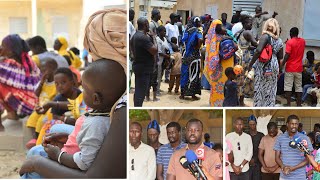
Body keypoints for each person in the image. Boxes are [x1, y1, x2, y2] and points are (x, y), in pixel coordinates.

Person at [19, 8, 127, 178]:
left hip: (85, 167)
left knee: (36, 157)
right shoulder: (118, 83)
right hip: (88, 152)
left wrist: (39, 164)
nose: (91, 55)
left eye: (93, 49)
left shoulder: (124, 105)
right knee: (53, 132)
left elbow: (94, 174)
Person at [21, 59, 126, 178]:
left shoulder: (96, 124)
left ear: (95, 98)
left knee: (34, 157)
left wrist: (58, 155)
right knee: (37, 150)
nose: (82, 91)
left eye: (85, 89)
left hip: (70, 162)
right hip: (72, 155)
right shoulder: (106, 114)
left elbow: (84, 162)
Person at [0, 34, 41, 131]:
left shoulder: (9, 64)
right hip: (36, 103)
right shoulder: (29, 61)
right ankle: (13, 115)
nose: (1, 48)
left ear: (11, 50)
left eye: (3, 45)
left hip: (27, 107)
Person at [34, 67, 82, 145]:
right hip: (64, 124)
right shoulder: (58, 98)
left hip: (78, 124)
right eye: (56, 83)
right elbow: (55, 116)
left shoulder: (79, 94)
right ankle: (40, 144)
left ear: (72, 82)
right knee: (48, 123)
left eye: (63, 82)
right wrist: (64, 119)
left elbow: (78, 105)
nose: (59, 86)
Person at [248, 18, 284, 107]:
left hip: (264, 64)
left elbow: (258, 51)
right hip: (274, 65)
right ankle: (268, 108)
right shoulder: (279, 40)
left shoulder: (265, 36)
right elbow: (281, 57)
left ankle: (259, 108)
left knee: (260, 87)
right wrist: (279, 70)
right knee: (271, 88)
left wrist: (250, 64)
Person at [25, 59, 58, 148]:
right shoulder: (42, 82)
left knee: (41, 121)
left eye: (45, 69)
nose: (43, 72)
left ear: (53, 69)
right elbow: (36, 94)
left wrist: (46, 108)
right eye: (42, 70)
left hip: (50, 107)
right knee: (32, 119)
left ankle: (39, 140)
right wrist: (42, 82)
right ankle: (34, 138)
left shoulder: (56, 83)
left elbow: (56, 98)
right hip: (40, 107)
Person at [205, 19, 235, 106]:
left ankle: (215, 104)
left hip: (220, 69)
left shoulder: (212, 40)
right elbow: (214, 58)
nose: (223, 28)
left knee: (218, 88)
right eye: (221, 26)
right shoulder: (219, 39)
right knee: (221, 87)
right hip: (222, 68)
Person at [274, 114, 313, 180]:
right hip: (284, 176)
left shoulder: (304, 138)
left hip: (300, 176)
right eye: (292, 124)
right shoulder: (280, 138)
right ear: (287, 124)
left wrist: (293, 168)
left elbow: (308, 159)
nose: (294, 126)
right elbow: (277, 158)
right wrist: (283, 167)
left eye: (296, 124)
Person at [131, 17, 158, 107]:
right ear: (146, 24)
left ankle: (137, 105)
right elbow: (154, 50)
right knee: (141, 91)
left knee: (139, 90)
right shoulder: (143, 37)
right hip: (143, 68)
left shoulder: (135, 36)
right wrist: (153, 38)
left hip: (139, 66)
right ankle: (138, 106)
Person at [234, 15, 258, 106]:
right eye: (249, 22)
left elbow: (242, 45)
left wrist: (249, 47)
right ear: (244, 23)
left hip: (238, 58)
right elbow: (255, 43)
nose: (251, 24)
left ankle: (237, 100)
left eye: (251, 22)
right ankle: (241, 101)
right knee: (244, 79)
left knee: (239, 79)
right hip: (245, 58)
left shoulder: (239, 32)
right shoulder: (248, 32)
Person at [281, 27, 306, 106]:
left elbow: (287, 55)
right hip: (299, 68)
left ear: (291, 33)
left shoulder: (290, 42)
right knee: (298, 87)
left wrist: (282, 65)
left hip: (290, 68)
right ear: (297, 33)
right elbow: (297, 44)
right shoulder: (303, 41)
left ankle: (288, 104)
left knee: (288, 86)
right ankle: (298, 104)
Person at [180, 16, 203, 100]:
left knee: (185, 73)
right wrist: (197, 47)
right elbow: (200, 40)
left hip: (186, 55)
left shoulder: (187, 31)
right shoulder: (197, 31)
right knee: (194, 73)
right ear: (196, 22)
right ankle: (192, 94)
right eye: (199, 22)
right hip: (194, 55)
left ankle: (182, 94)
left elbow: (182, 41)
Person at [247, 115, 264, 180]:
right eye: (250, 124)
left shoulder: (261, 135)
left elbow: (263, 150)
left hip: (258, 164)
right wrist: (249, 159)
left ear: (256, 124)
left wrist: (255, 159)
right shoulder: (245, 135)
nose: (252, 126)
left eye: (253, 124)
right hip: (247, 163)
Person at [156, 25, 171, 95]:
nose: (165, 33)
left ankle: (158, 88)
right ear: (159, 32)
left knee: (161, 75)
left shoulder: (164, 39)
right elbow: (158, 51)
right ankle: (156, 90)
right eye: (163, 31)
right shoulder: (157, 39)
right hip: (159, 60)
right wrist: (166, 56)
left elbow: (167, 47)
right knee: (158, 75)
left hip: (164, 61)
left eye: (165, 31)